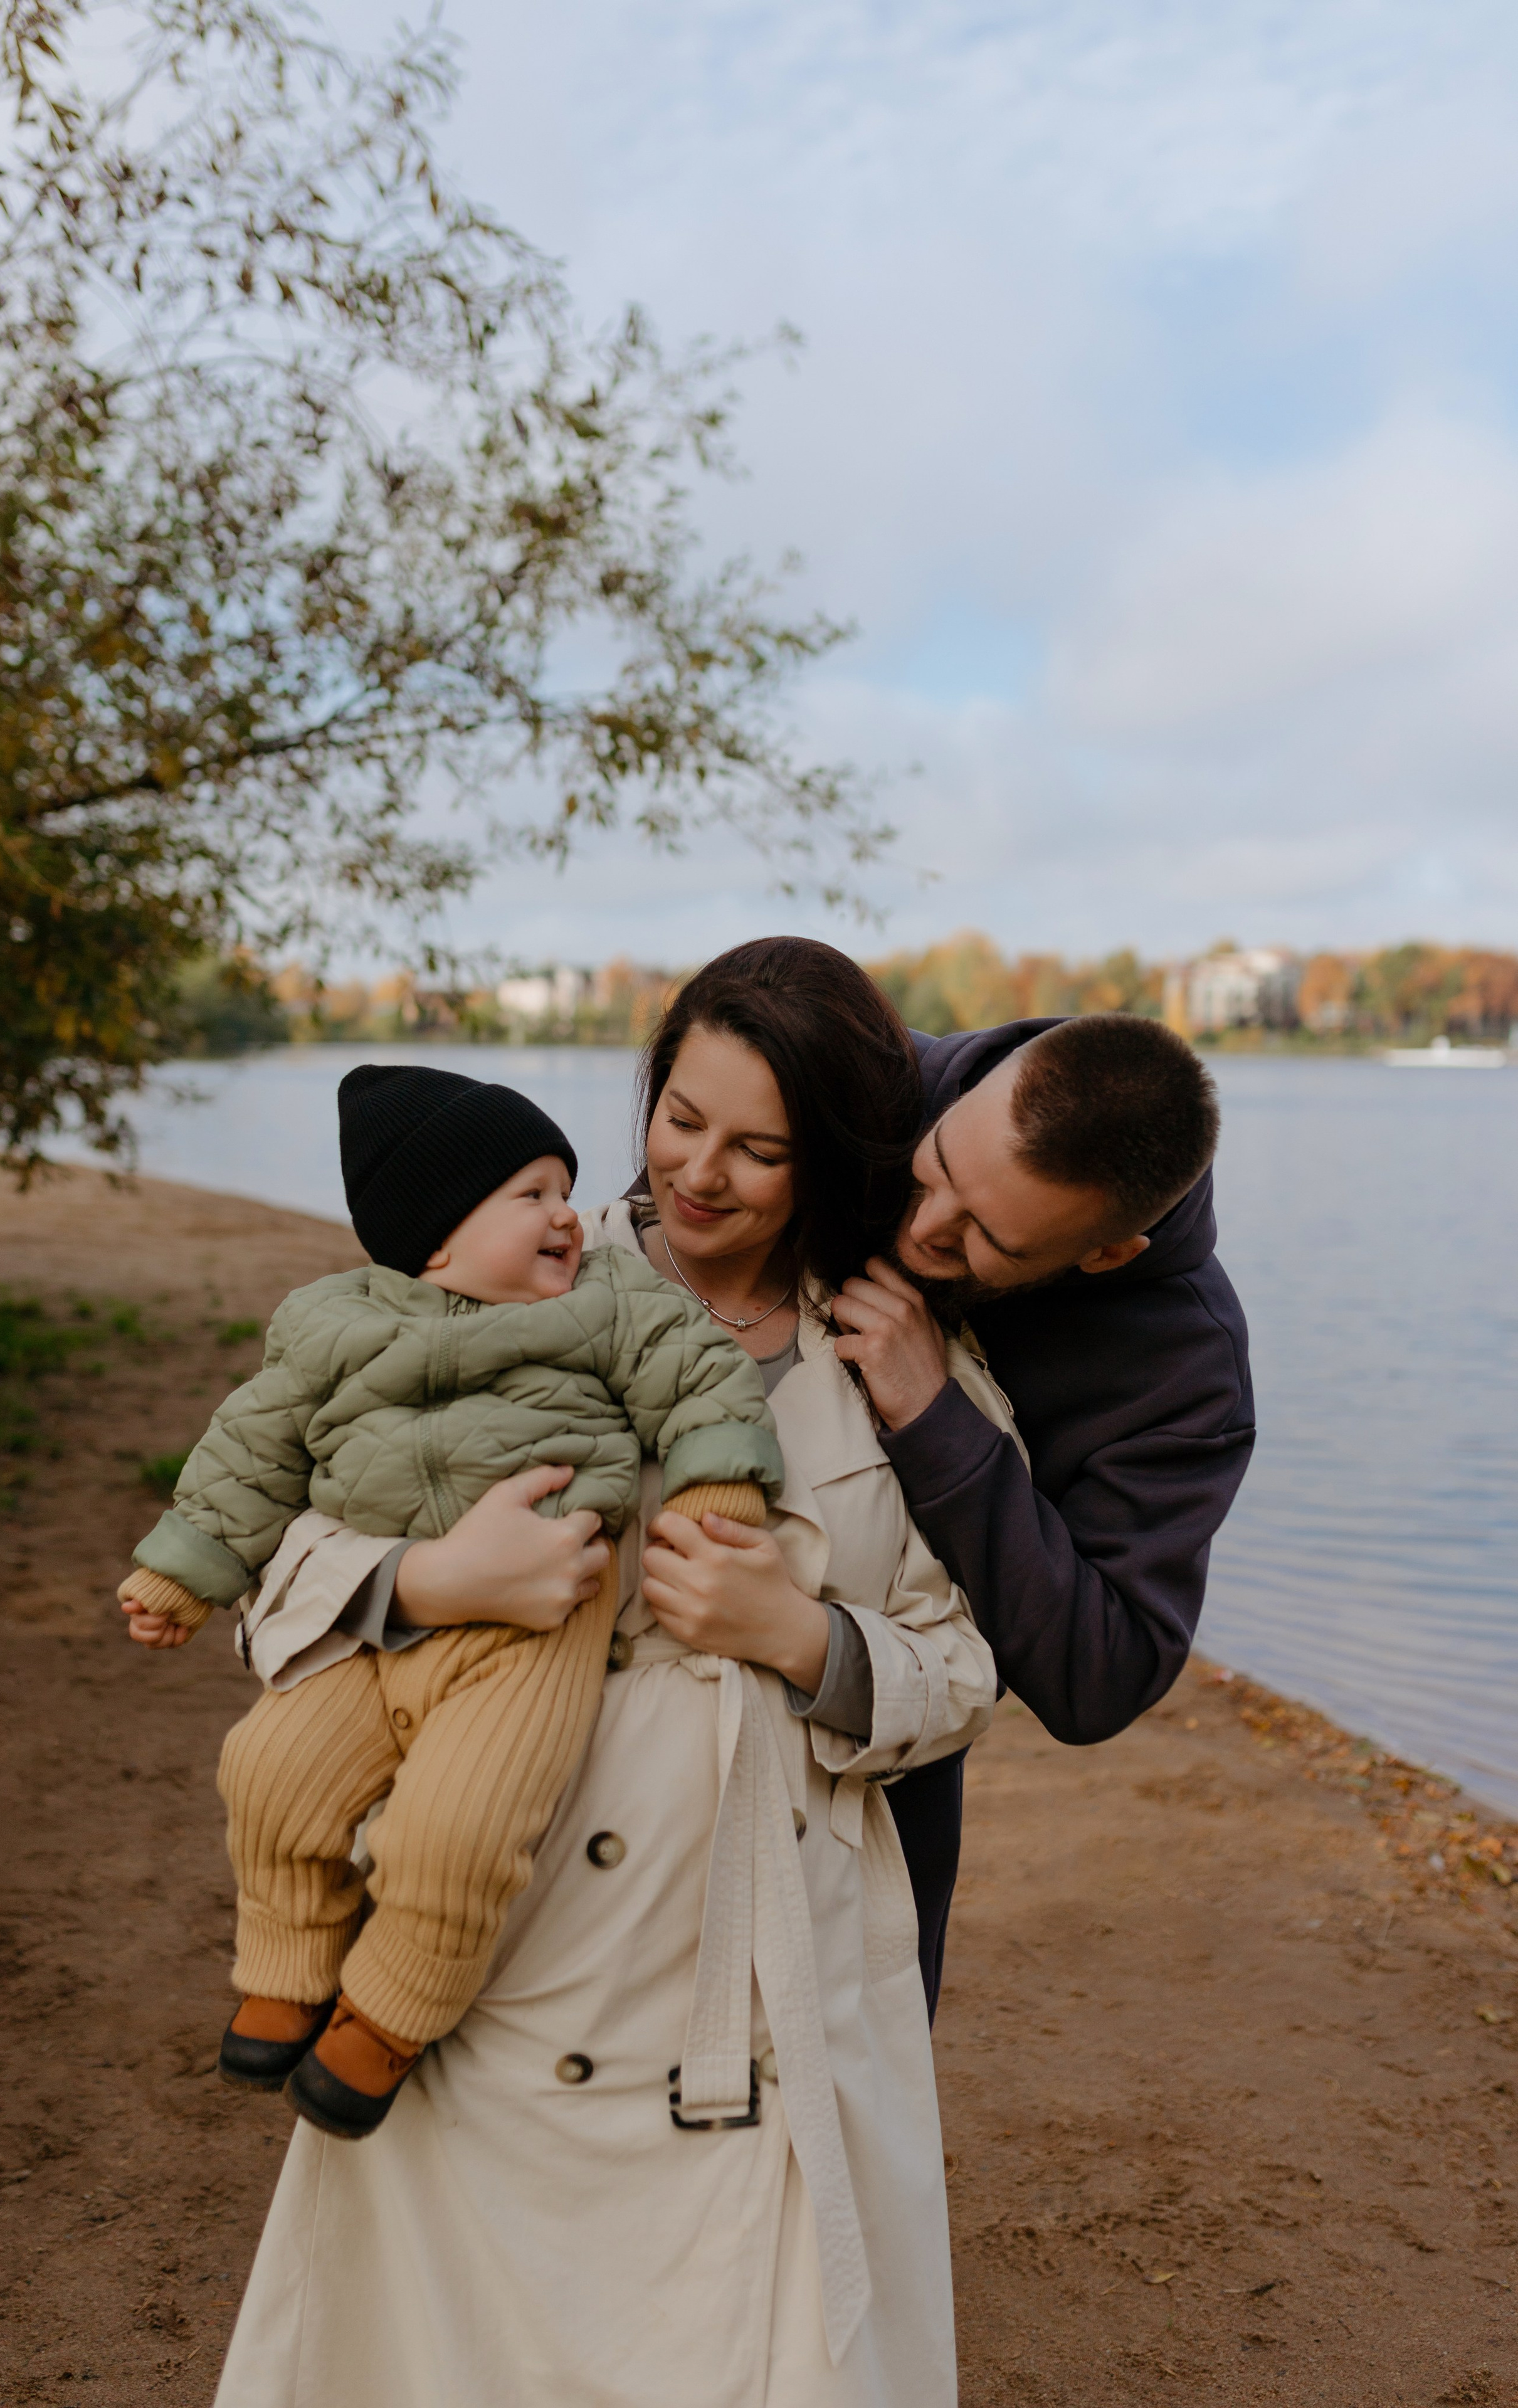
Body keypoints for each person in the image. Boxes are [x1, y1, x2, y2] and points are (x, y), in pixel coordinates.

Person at [214, 939, 1006, 2407]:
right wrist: (422, 1582)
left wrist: (806, 1641)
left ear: (822, 1155)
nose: (700, 1174)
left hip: (761, 1979)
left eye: (757, 1148)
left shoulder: (895, 1357)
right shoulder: (494, 1266)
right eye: (677, 1118)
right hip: (492, 1943)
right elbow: (265, 1565)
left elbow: (966, 1665)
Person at [117, 1065, 780, 2138]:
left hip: (539, 1625)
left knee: (460, 1825)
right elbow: (249, 1450)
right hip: (380, 1629)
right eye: (531, 1194)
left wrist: (716, 1482)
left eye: (567, 1186)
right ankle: (288, 1967)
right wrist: (186, 1570)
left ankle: (387, 2014)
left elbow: (698, 1372)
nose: (568, 1213)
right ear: (434, 1234)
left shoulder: (610, 1297)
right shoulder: (330, 1323)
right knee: (268, 1771)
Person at [829, 1011, 1255, 2015]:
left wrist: (939, 1421)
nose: (924, 1228)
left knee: (848, 2136)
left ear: (1107, 1254)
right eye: (934, 1171)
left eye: (988, 1237)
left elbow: (1102, 1673)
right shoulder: (856, 1082)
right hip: (645, 1677)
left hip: (887, 1774)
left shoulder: (1187, 1373)